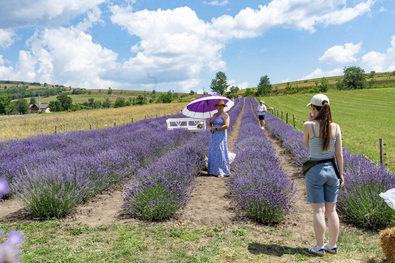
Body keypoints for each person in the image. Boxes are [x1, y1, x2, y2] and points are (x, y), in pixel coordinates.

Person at [302, 94, 344, 257]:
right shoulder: (336, 127)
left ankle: (319, 247)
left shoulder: (308, 125)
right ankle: (332, 245)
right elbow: (339, 154)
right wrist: (341, 175)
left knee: (318, 211)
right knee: (331, 211)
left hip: (315, 170)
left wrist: (309, 121)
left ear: (313, 108)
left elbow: (306, 144)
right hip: (332, 171)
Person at [207, 99, 230, 177]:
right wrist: (210, 123)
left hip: (221, 135)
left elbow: (227, 126)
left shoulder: (225, 115)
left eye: (221, 105)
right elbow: (211, 126)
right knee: (213, 151)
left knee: (221, 151)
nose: (220, 107)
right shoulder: (213, 115)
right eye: (218, 105)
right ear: (216, 106)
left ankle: (222, 171)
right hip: (214, 136)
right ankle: (213, 171)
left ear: (223, 106)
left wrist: (216, 128)